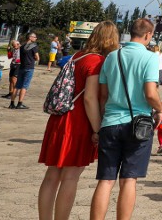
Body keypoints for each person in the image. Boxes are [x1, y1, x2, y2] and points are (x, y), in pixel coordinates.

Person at [38, 21, 120, 220]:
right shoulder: (97, 62)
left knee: (51, 175)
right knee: (70, 177)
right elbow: (90, 98)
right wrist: (97, 129)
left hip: (59, 118)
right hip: (77, 122)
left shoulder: (77, 56)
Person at [90, 18, 162, 220]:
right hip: (138, 126)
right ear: (148, 35)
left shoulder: (112, 57)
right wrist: (160, 109)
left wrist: (103, 121)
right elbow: (150, 93)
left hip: (111, 123)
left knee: (105, 180)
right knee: (129, 180)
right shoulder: (150, 58)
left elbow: (103, 95)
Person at [11, 31, 40, 109]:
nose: (36, 38)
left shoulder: (22, 46)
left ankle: (12, 103)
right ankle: (20, 103)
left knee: (17, 86)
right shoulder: (34, 46)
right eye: (34, 37)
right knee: (24, 86)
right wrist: (33, 58)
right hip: (29, 67)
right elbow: (37, 57)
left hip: (21, 67)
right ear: (30, 37)